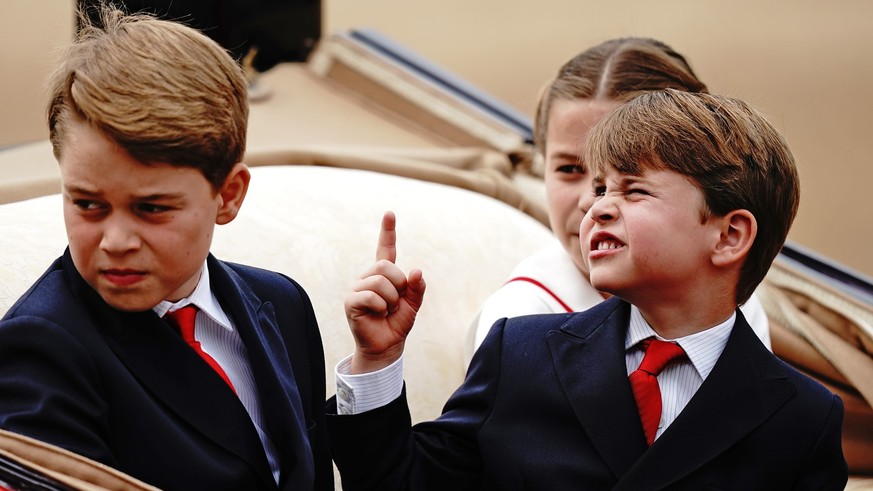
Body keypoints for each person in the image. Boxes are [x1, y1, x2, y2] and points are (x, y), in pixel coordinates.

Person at [328, 90, 848, 489]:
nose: (595, 206)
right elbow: (400, 481)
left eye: (635, 190)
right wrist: (377, 359)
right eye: (600, 188)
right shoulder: (521, 353)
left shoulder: (801, 417)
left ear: (729, 235)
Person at [0, 6, 332, 491]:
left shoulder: (283, 304)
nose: (115, 242)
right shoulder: (40, 350)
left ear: (229, 195)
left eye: (152, 208)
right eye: (88, 204)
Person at [472, 37, 770, 350]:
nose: (593, 201)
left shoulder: (736, 306)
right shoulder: (520, 320)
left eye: (633, 180)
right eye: (570, 170)